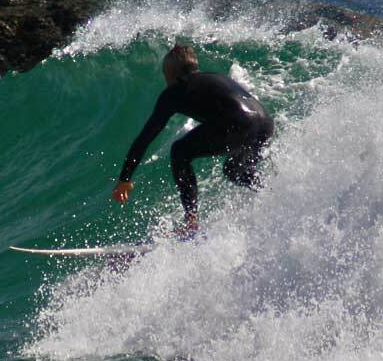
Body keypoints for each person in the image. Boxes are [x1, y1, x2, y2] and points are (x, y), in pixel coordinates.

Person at [110, 43, 274, 235]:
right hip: (265, 124)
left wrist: (125, 179)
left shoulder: (176, 90)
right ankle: (273, 193)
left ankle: (191, 220)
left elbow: (145, 138)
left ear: (171, 73)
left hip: (239, 123)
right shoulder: (215, 78)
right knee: (233, 170)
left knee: (180, 151)